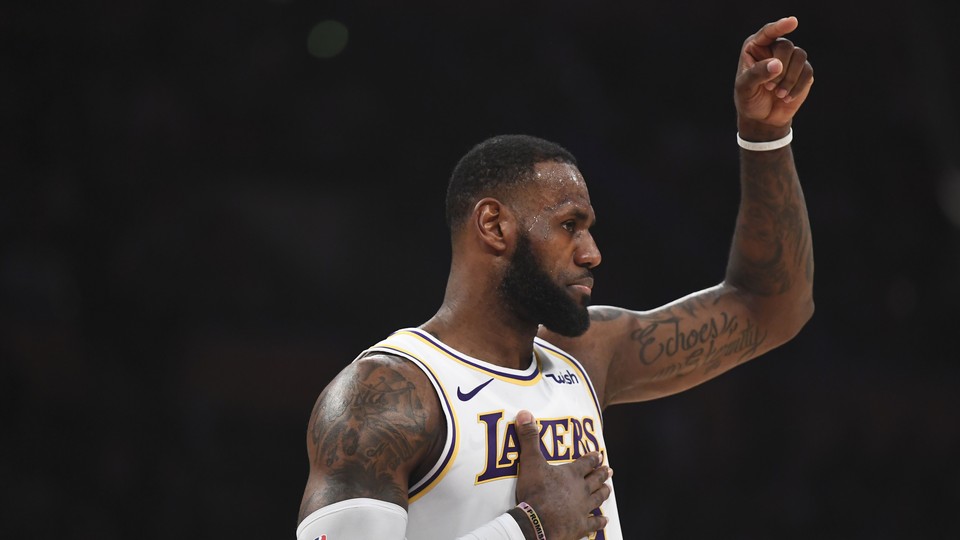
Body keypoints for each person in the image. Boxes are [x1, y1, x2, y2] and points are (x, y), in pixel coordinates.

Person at [296, 15, 815, 540]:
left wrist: (766, 136)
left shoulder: (589, 353)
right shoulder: (385, 395)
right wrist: (530, 528)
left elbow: (771, 307)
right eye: (570, 226)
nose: (592, 254)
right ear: (494, 226)